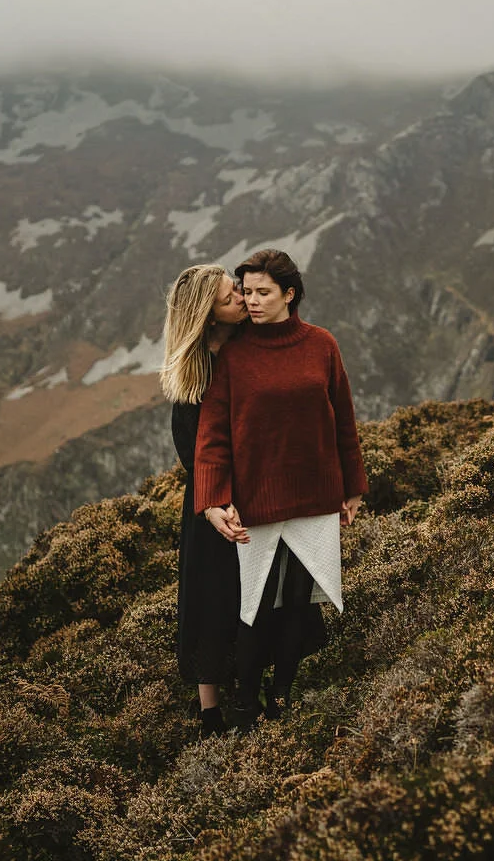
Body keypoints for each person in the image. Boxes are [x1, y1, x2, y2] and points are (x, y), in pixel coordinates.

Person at [193, 248, 367, 728]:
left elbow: (344, 421)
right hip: (258, 502)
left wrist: (352, 489)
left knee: (297, 601)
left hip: (315, 494)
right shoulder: (234, 355)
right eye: (245, 291)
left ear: (289, 294)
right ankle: (246, 702)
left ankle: (282, 694)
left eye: (262, 292)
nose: (250, 300)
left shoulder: (322, 345)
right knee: (256, 604)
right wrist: (212, 500)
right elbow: (213, 436)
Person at [160, 263, 248, 736]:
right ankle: (209, 707)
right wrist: (215, 501)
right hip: (209, 501)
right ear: (208, 316)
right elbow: (192, 453)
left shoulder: (253, 348)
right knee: (210, 594)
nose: (241, 297)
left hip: (253, 492)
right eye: (229, 295)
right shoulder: (193, 380)